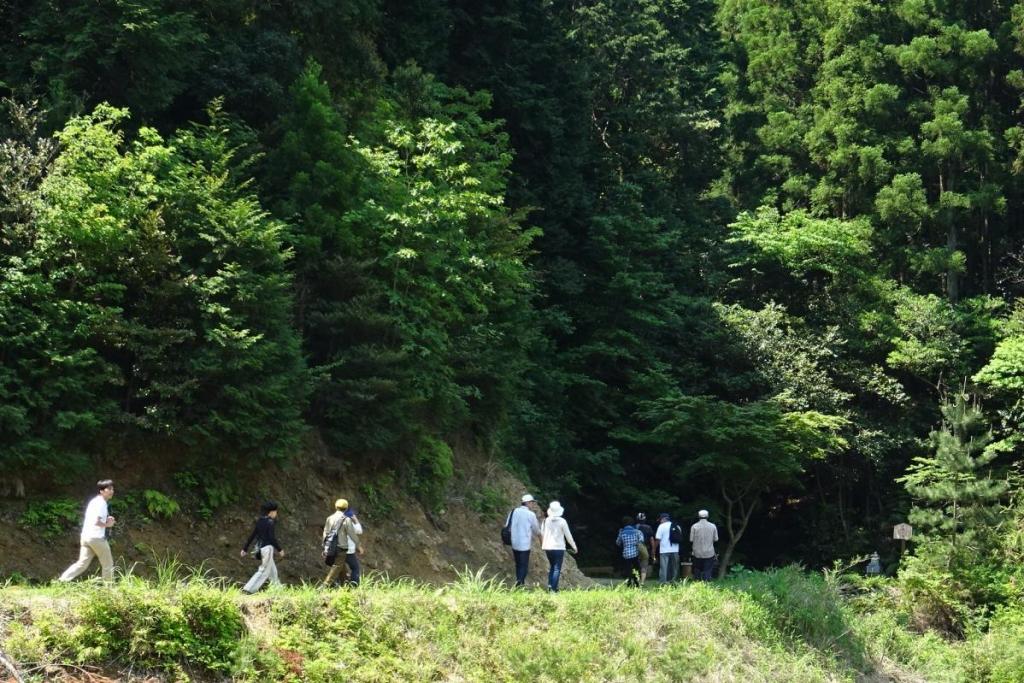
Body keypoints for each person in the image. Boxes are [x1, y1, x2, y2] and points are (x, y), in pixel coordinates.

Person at [58, 480, 117, 583]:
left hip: (86, 537)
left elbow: (95, 519)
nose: (111, 491)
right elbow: (96, 522)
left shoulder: (95, 502)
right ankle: (109, 588)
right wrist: (108, 525)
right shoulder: (101, 503)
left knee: (82, 564)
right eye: (109, 489)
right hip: (96, 538)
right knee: (108, 564)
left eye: (112, 489)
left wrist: (107, 519)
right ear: (101, 491)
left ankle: (62, 580)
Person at [240, 501, 283, 594]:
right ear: (271, 512)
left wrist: (245, 548)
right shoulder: (270, 522)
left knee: (273, 571)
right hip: (268, 549)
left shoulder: (260, 521)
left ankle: (278, 590)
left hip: (261, 549)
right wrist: (280, 549)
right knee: (263, 571)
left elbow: (252, 535)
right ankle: (248, 589)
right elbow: (272, 538)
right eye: (276, 512)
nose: (276, 514)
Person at [321, 498, 362, 586]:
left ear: (336, 507)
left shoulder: (330, 518)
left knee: (340, 569)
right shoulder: (346, 519)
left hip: (331, 548)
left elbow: (326, 533)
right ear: (346, 508)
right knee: (341, 567)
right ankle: (325, 586)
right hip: (341, 548)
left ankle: (344, 586)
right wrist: (359, 546)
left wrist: (325, 547)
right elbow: (352, 534)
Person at [540, 500, 577, 592]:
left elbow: (542, 534)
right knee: (557, 569)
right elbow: (568, 536)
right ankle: (553, 589)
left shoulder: (545, 521)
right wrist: (574, 546)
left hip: (548, 547)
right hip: (558, 548)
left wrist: (543, 544)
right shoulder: (562, 521)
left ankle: (550, 586)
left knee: (552, 567)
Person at [508, 493, 541, 586]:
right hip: (524, 544)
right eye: (532, 502)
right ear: (528, 503)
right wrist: (541, 536)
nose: (533, 504)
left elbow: (507, 525)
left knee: (518, 564)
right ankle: (519, 584)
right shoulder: (531, 514)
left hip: (514, 542)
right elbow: (536, 529)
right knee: (523, 565)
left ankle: (519, 581)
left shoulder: (513, 511)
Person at [690, 509, 719, 581]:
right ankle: (706, 584)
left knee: (697, 569)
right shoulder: (713, 526)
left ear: (698, 516)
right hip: (709, 552)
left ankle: (697, 582)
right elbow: (716, 539)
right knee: (707, 569)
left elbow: (691, 539)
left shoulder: (694, 526)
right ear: (707, 516)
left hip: (697, 552)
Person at [615, 516, 645, 587]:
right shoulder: (637, 532)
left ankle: (628, 584)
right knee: (636, 569)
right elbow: (641, 540)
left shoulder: (622, 532)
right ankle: (637, 583)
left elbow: (618, 542)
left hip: (626, 554)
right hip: (635, 553)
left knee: (627, 569)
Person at [654, 512, 680, 583]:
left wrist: (653, 549)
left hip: (664, 550)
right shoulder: (676, 526)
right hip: (675, 549)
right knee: (674, 567)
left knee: (664, 567)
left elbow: (658, 539)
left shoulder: (661, 526)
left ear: (663, 519)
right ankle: (673, 581)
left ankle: (663, 582)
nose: (660, 521)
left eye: (660, 520)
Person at [635, 512, 655, 585]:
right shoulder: (648, 527)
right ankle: (642, 582)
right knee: (644, 564)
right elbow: (651, 539)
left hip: (635, 548)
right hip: (646, 548)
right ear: (645, 519)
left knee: (636, 564)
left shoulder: (634, 527)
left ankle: (636, 580)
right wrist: (653, 549)